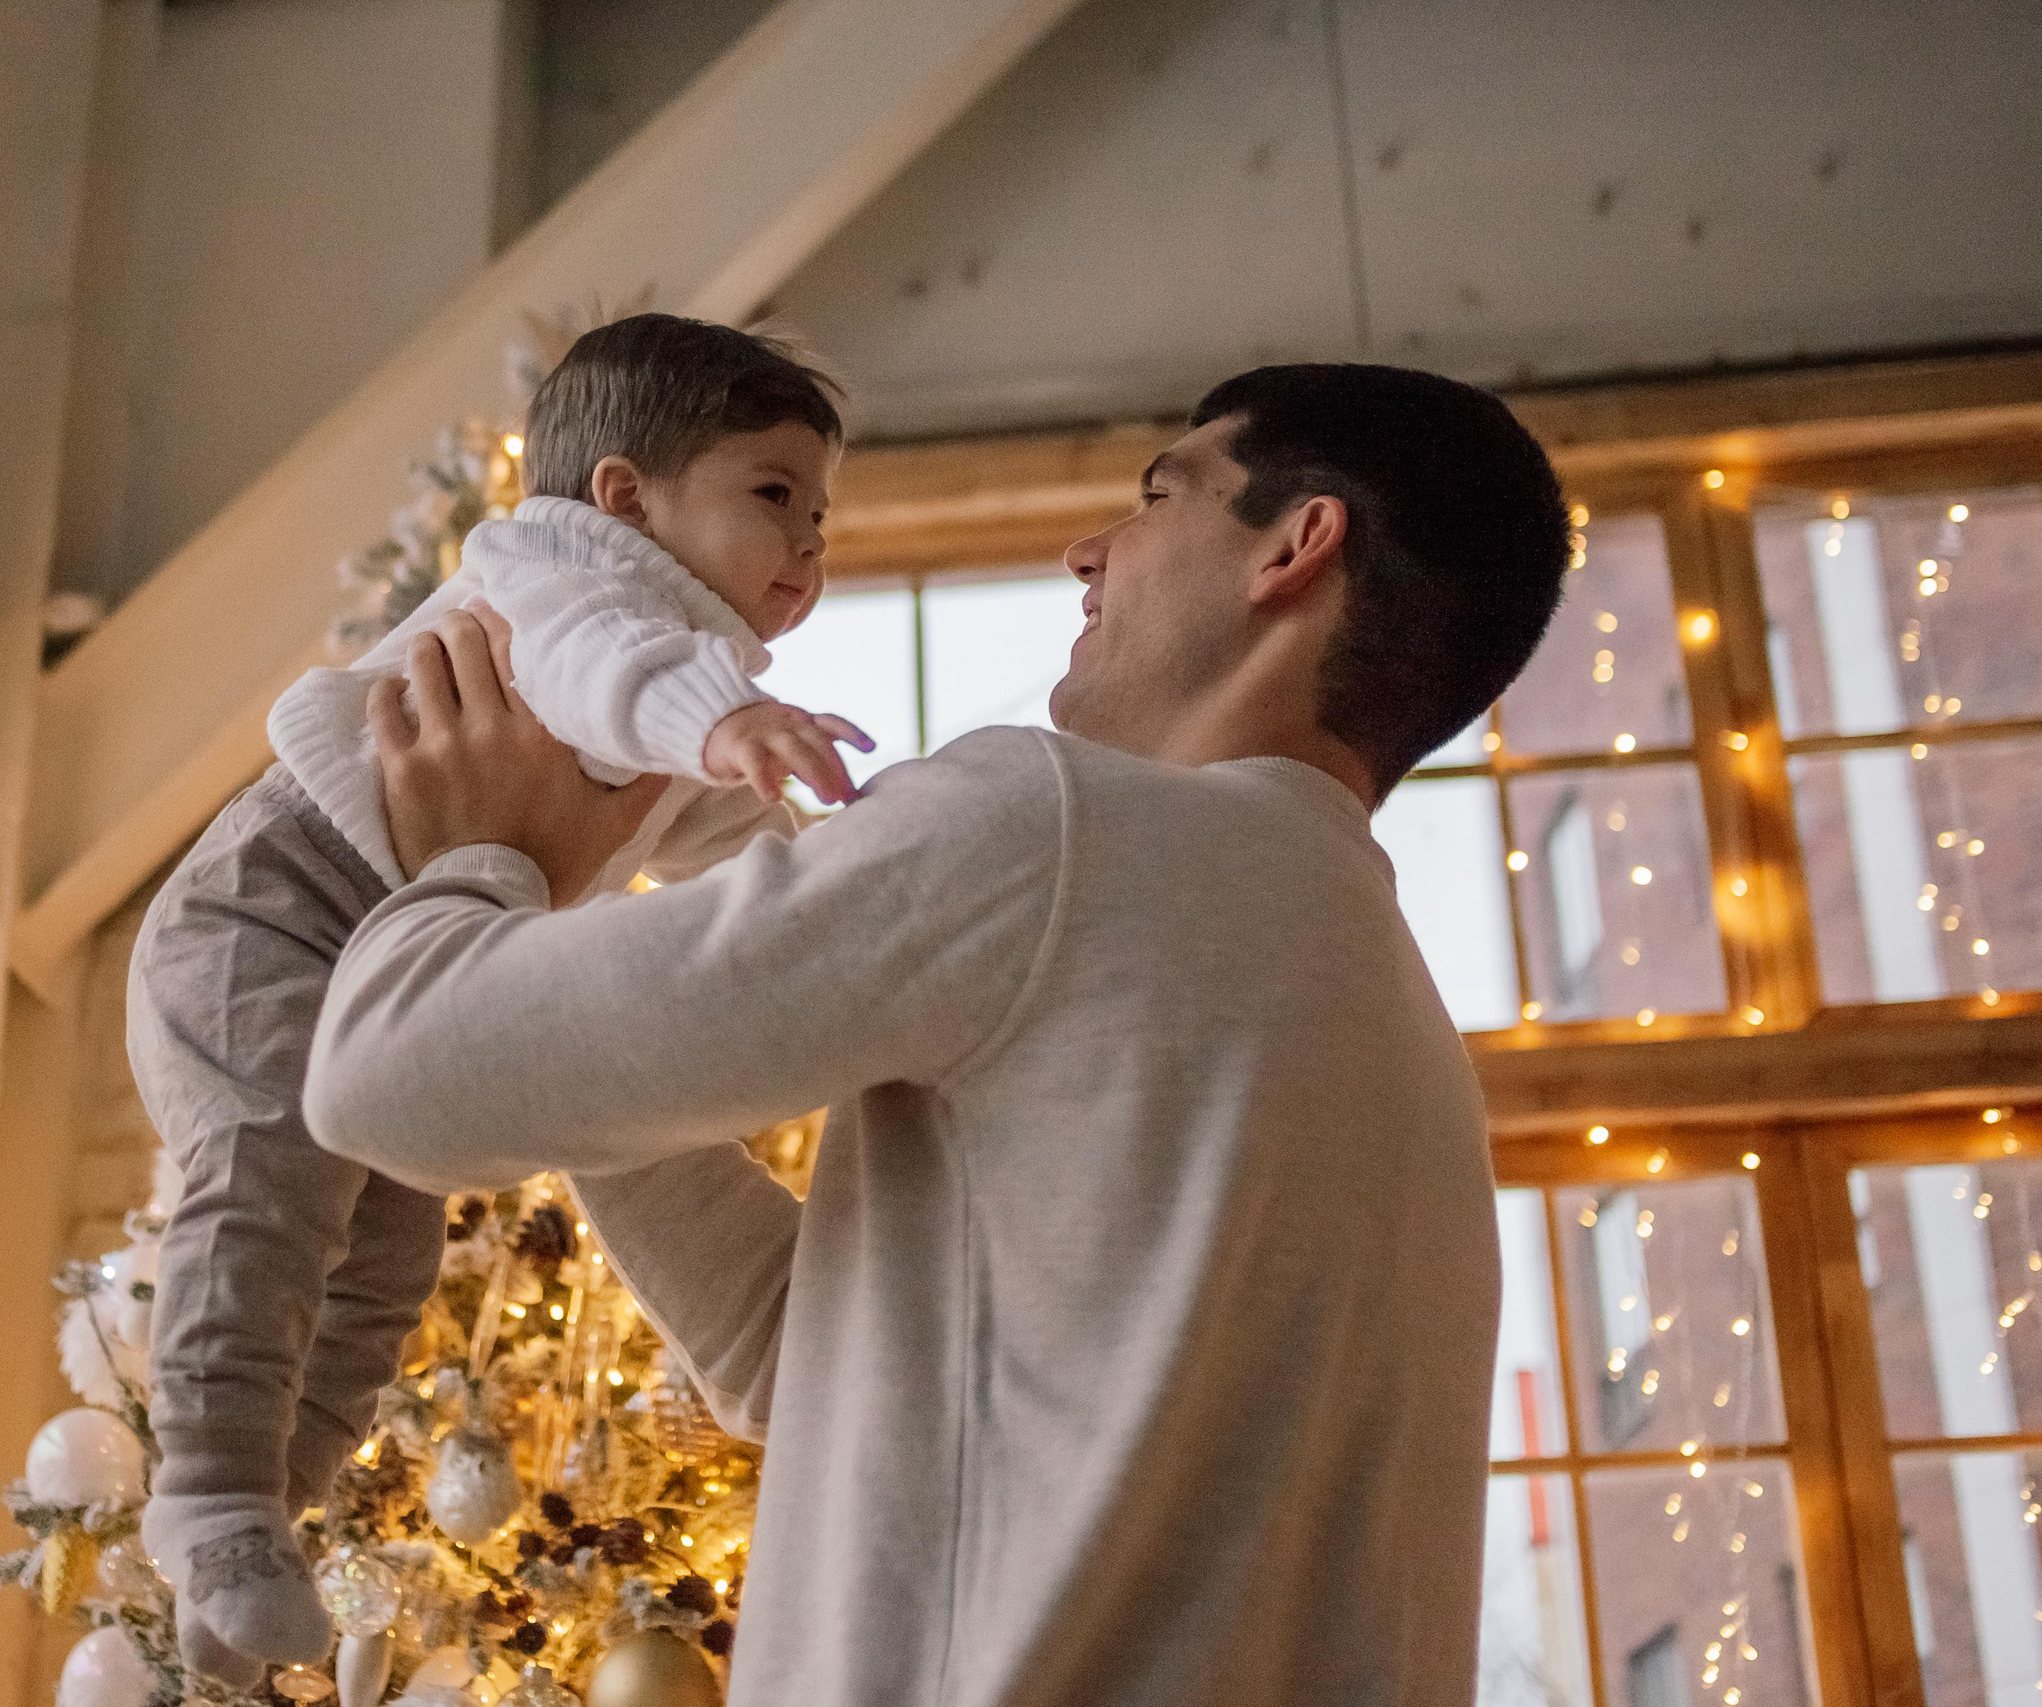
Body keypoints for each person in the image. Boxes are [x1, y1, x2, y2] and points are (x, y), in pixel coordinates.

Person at [301, 363, 1572, 1706]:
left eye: (1157, 498)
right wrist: (597, 992)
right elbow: (815, 1360)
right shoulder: (1397, 1034)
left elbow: (393, 1076)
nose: (1089, 549)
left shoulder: (1055, 828)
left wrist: (486, 855)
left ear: (1295, 548)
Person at [128, 314, 869, 1689]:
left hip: (396, 965)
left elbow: (716, 838)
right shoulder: (569, 590)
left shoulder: (672, 685)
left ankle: (260, 1520)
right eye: (775, 497)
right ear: (625, 498)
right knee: (273, 1174)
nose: (810, 549)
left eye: (820, 516)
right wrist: (724, 726)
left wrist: (820, 865)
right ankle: (208, 1489)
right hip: (276, 911)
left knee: (383, 1266)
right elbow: (614, 678)